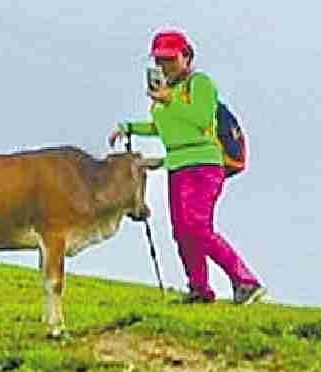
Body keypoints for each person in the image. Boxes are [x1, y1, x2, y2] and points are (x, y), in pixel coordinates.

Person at [112, 28, 264, 305]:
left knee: (196, 226)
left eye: (170, 58)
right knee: (181, 231)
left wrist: (169, 100)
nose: (164, 65)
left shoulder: (200, 83)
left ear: (187, 57)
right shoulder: (166, 93)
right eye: (159, 60)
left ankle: (245, 281)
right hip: (177, 165)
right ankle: (199, 289)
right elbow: (163, 127)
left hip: (204, 164)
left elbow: (200, 118)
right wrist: (129, 127)